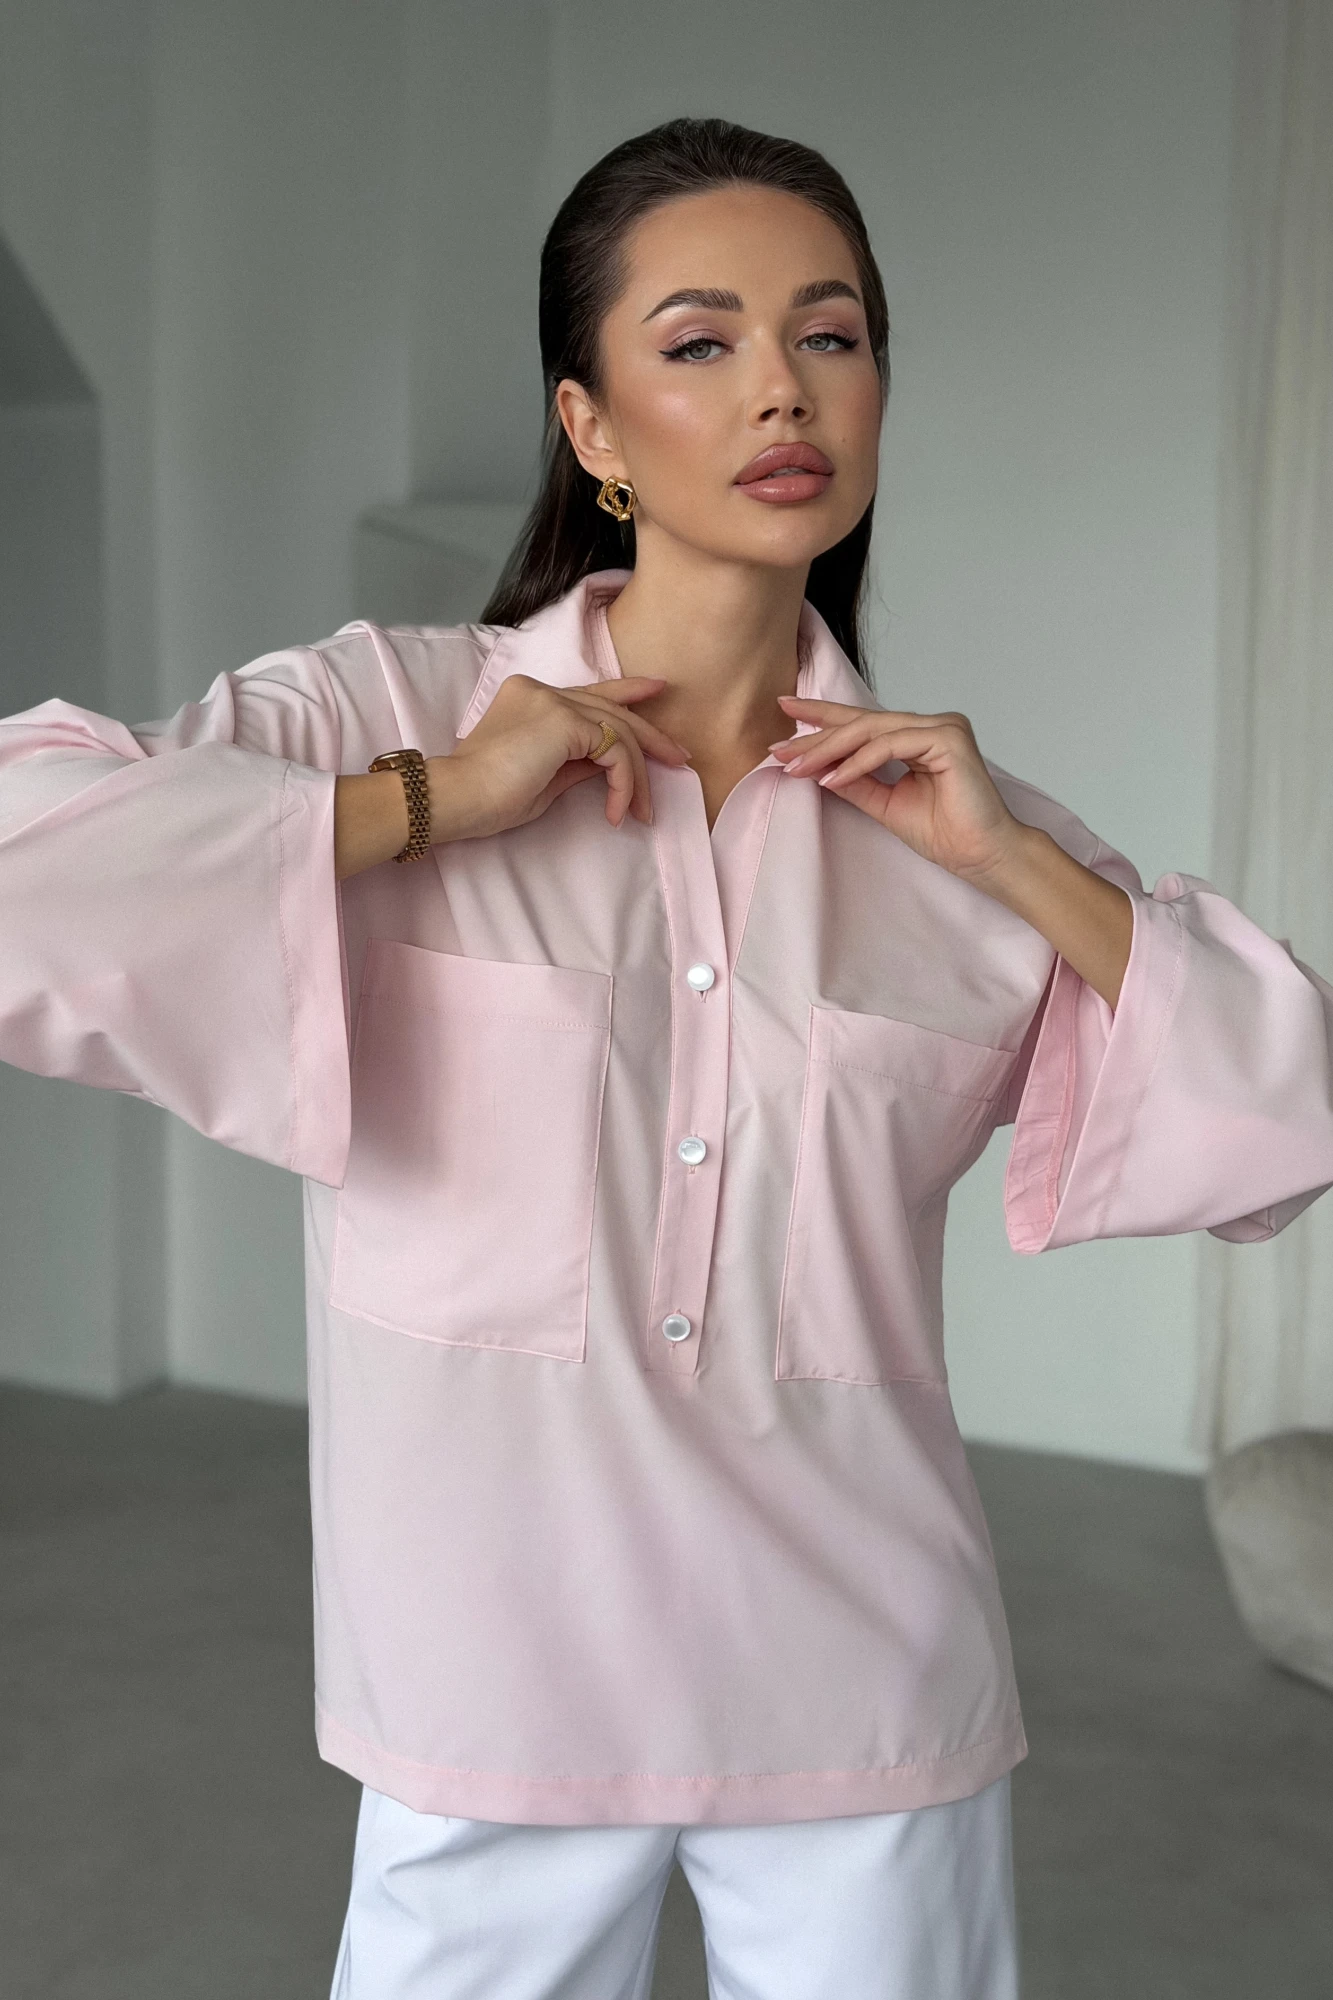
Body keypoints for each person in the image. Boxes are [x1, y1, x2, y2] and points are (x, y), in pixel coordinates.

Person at [2, 116, 1331, 2000]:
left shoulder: (954, 822)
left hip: (868, 1691)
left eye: (832, 335)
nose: (784, 387)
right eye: (702, 341)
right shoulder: (389, 710)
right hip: (487, 1688)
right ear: (592, 427)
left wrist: (1021, 867)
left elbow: (1289, 1113)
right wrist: (430, 803)